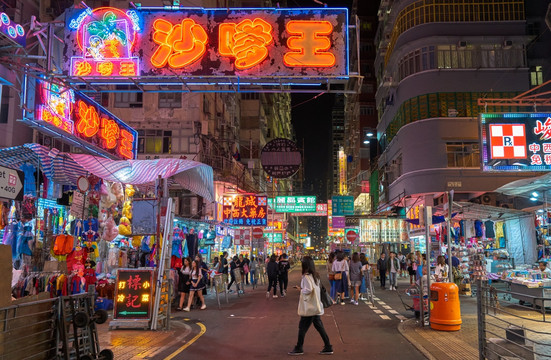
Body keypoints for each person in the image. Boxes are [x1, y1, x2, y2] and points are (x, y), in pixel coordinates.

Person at [288, 256, 333, 356]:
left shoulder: (306, 277)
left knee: (302, 327)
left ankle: (299, 347)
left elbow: (308, 290)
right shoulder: (315, 276)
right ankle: (328, 346)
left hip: (310, 307)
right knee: (319, 326)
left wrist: (301, 290)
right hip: (315, 305)